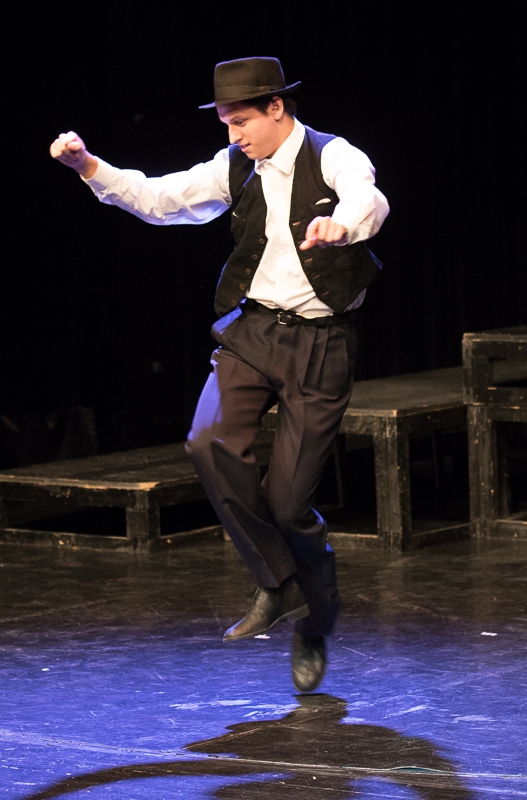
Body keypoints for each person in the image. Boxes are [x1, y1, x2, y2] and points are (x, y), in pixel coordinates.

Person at [50, 57, 388, 693]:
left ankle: (314, 617)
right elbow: (161, 199)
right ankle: (279, 583)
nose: (234, 135)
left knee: (288, 504)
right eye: (227, 123)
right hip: (253, 331)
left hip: (321, 344)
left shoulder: (334, 155)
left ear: (276, 108)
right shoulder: (235, 165)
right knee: (208, 441)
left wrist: (341, 224)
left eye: (241, 122)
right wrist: (88, 166)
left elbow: (368, 198)